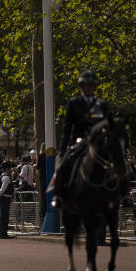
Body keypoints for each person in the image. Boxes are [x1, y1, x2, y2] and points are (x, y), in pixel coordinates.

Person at [49, 70, 119, 210]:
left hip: (97, 143)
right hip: (79, 142)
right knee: (62, 166)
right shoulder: (74, 104)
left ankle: (123, 195)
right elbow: (67, 128)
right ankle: (58, 195)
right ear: (82, 87)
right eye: (87, 86)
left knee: (119, 165)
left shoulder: (101, 105)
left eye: (92, 85)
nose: (89, 88)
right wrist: (63, 150)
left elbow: (106, 126)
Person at [0, 162, 14, 239]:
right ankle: (3, 233)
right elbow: (3, 188)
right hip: (5, 198)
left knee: (3, 216)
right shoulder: (6, 177)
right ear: (6, 169)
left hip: (3, 197)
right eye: (10, 168)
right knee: (4, 216)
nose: (11, 169)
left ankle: (3, 233)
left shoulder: (2, 176)